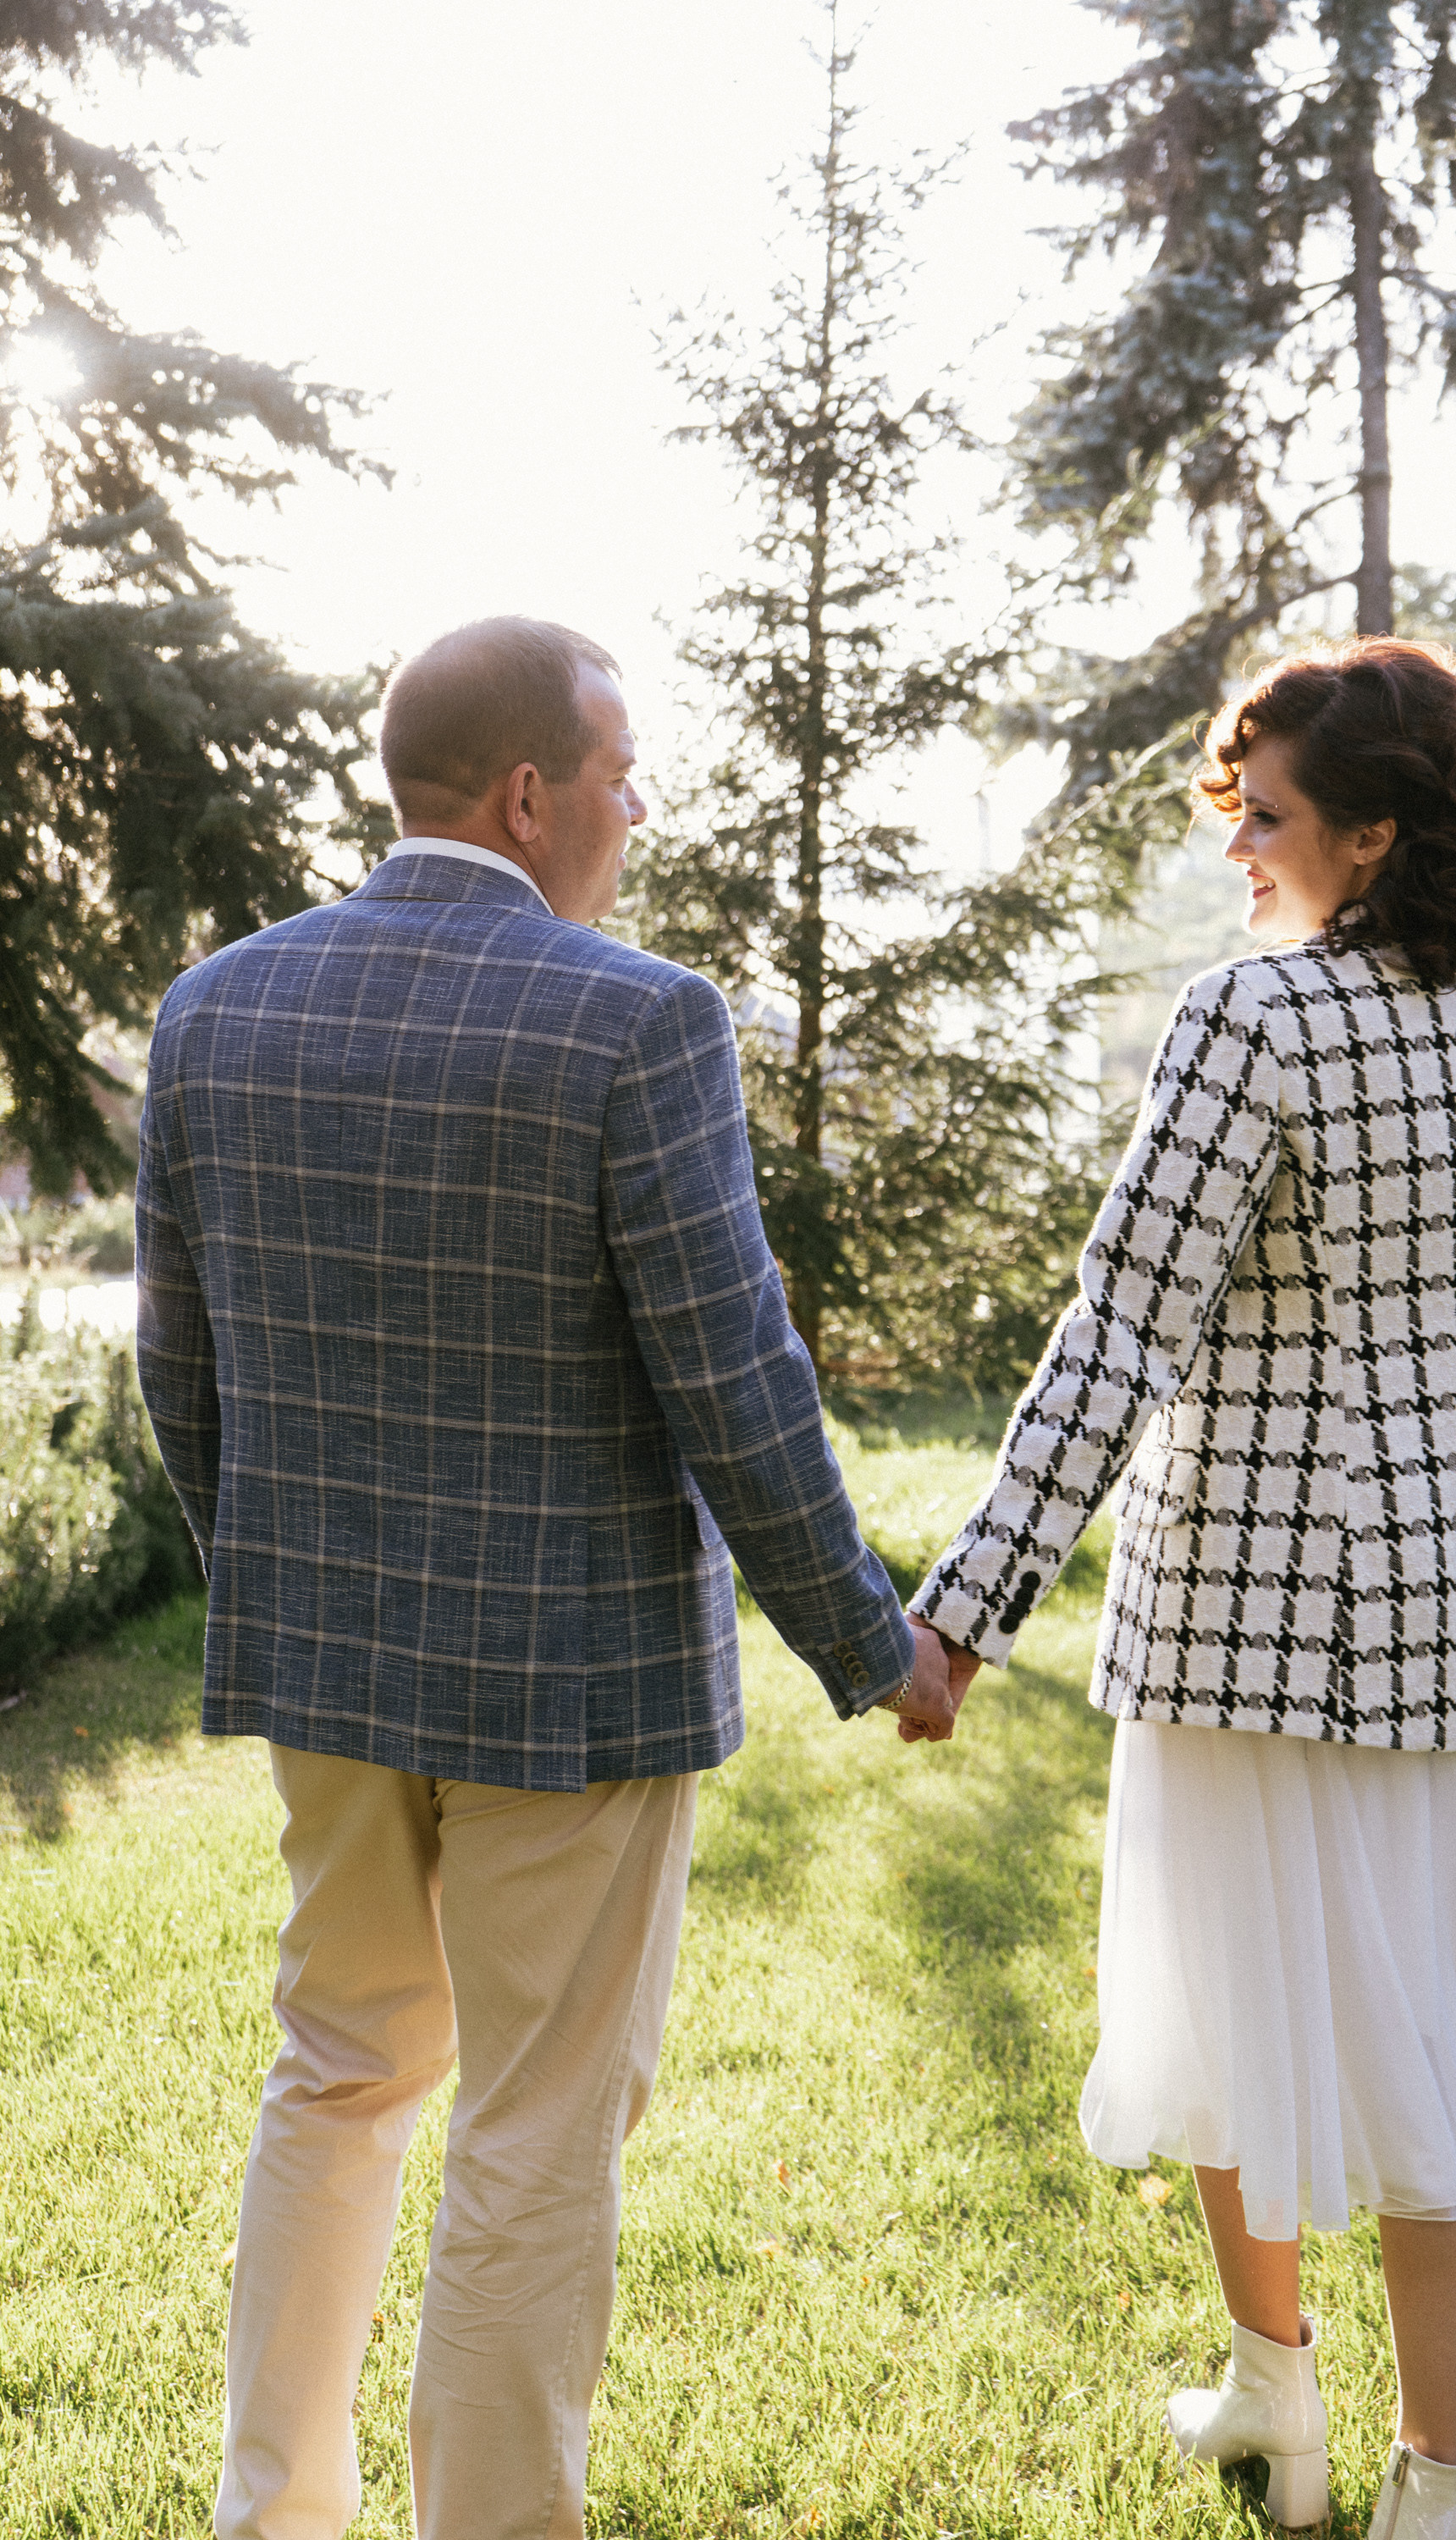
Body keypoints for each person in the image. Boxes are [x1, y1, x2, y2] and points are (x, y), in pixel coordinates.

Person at [135, 616, 955, 2540]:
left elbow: (183, 1366)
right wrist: (872, 1641)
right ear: (530, 793)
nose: (636, 805)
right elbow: (731, 1376)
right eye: (621, 770)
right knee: (533, 2131)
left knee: (335, 2078)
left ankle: (279, 2520)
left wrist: (279, 1573)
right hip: (567, 1687)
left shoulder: (215, 1008)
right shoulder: (635, 1018)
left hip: (321, 1666)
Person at [908, 640, 1456, 2538]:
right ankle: (1432, 2489)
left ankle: (1278, 2398)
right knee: (1444, 2058)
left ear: (1375, 833)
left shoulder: (1256, 1017)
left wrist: (965, 1608)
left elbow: (1117, 1334)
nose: (1240, 841)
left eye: (1271, 812)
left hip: (1250, 1617)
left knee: (1242, 2020)